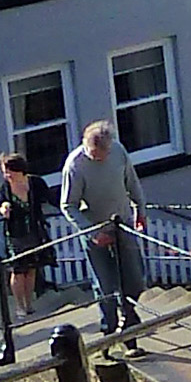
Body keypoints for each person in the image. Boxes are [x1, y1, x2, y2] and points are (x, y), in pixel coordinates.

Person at [57, 119, 146, 335]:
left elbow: (131, 182)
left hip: (123, 223)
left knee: (134, 277)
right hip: (95, 230)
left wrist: (140, 210)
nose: (98, 158)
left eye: (101, 154)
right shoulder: (75, 166)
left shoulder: (118, 151)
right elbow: (68, 205)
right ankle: (110, 330)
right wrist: (93, 233)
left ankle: (130, 317)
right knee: (105, 284)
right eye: (93, 153)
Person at [0, 150, 50, 313]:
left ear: (18, 170)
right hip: (14, 234)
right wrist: (4, 208)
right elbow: (0, 204)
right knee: (18, 271)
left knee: (32, 269)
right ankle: (20, 307)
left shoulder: (35, 183)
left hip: (33, 232)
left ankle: (29, 304)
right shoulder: (5, 187)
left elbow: (50, 197)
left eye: (9, 171)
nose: (7, 175)